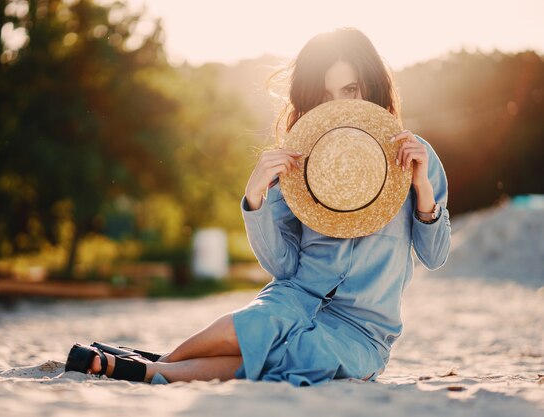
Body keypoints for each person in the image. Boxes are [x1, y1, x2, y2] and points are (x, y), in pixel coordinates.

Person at [65, 27, 451, 386]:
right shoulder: (301, 162)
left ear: (373, 84)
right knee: (254, 326)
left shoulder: (415, 156)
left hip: (361, 330)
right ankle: (157, 365)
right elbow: (283, 267)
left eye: (350, 90)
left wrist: (421, 191)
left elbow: (434, 256)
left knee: (293, 357)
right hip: (294, 299)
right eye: (325, 96)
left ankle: (147, 367)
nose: (338, 106)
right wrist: (255, 199)